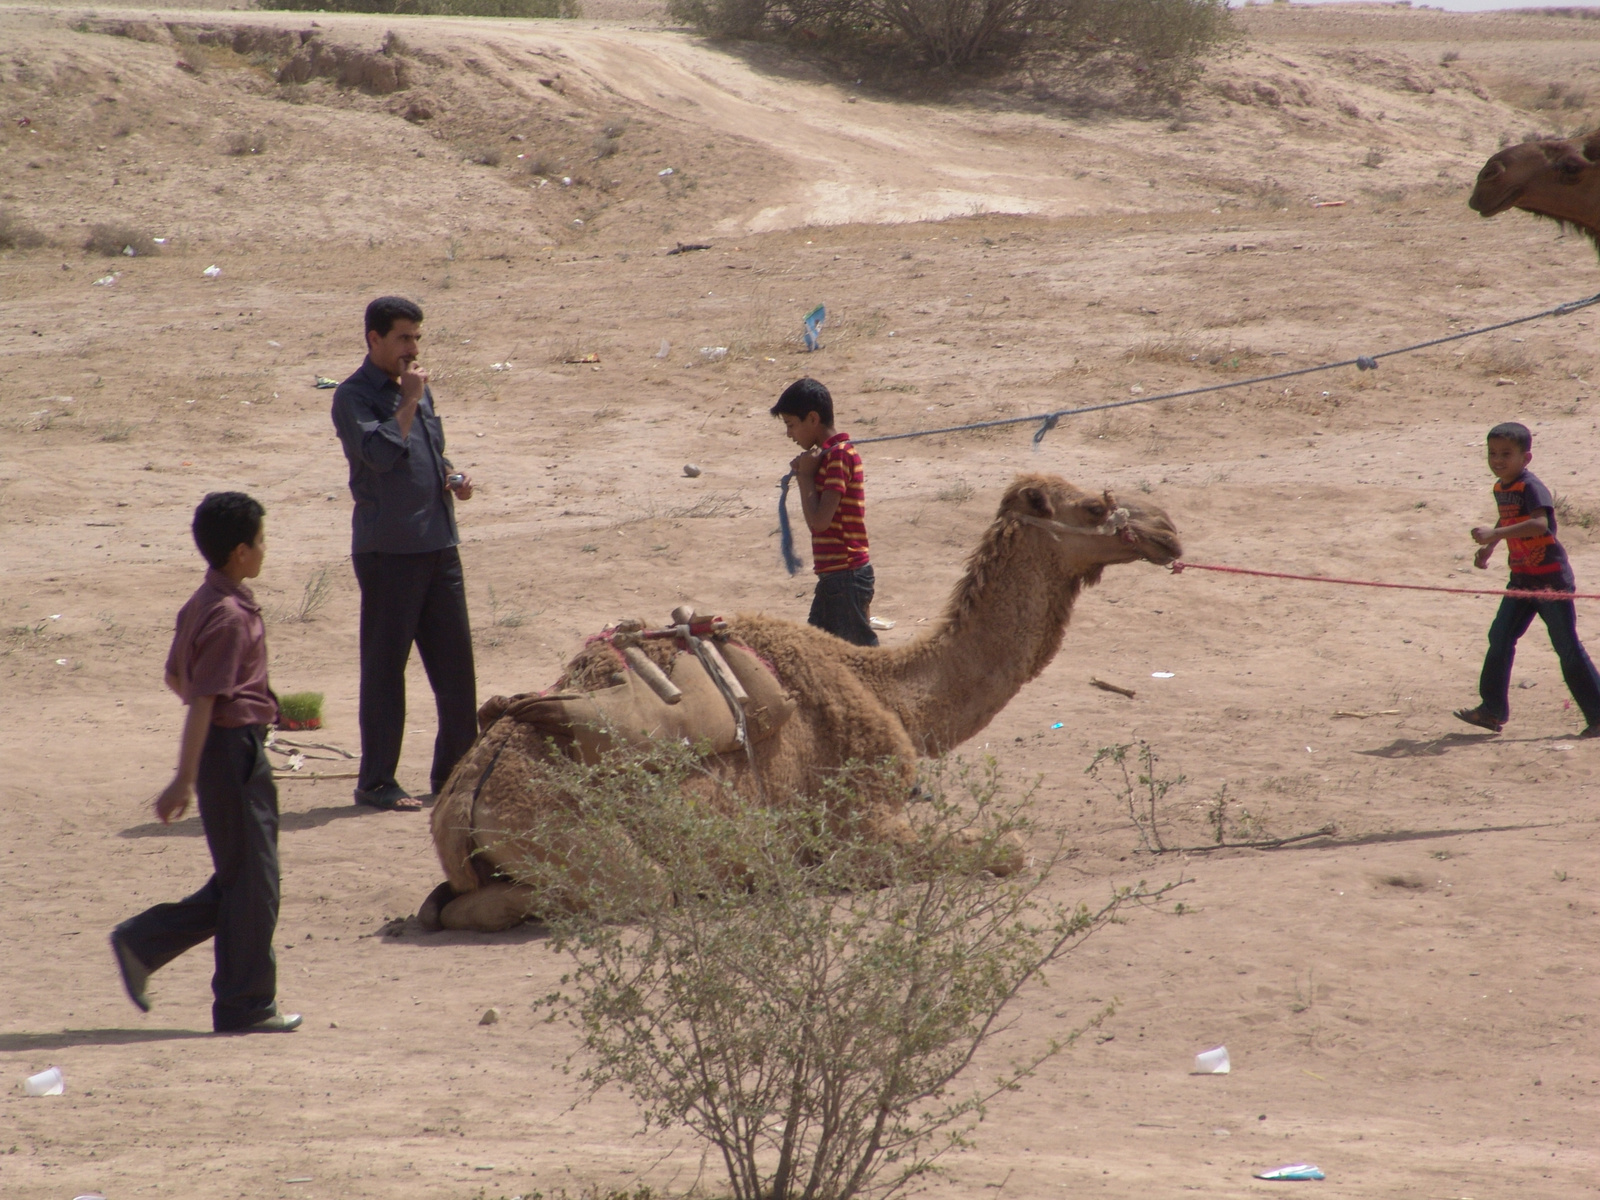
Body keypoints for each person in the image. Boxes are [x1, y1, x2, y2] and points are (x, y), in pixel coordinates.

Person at [110, 492, 301, 1033]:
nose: (265, 550)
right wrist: (185, 776)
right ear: (240, 551)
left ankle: (143, 944)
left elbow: (177, 677)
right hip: (232, 754)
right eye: (261, 541)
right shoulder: (228, 616)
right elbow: (202, 699)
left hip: (230, 748)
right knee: (255, 885)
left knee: (243, 881)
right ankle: (245, 1004)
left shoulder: (202, 603)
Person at [332, 296, 478, 812]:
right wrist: (409, 402)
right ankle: (376, 783)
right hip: (389, 551)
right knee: (385, 671)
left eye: (417, 337)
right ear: (374, 339)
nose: (412, 349)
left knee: (457, 673)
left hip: (440, 544)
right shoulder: (353, 398)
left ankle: (456, 776)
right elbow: (375, 455)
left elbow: (430, 451)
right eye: (403, 338)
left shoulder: (415, 389)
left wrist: (454, 476)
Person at [1455, 421, 1600, 737]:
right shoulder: (1502, 488)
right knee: (1500, 637)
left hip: (1550, 581)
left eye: (1506, 454)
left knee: (1567, 647)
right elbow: (1507, 518)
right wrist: (1490, 547)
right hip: (1521, 579)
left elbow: (1539, 524)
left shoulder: (1531, 486)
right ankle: (1491, 710)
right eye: (1492, 453)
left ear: (1526, 458)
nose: (1497, 460)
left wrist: (1495, 534)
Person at [771, 377, 878, 647]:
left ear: (813, 419)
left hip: (846, 576)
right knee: (816, 652)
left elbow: (819, 522)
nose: (789, 434)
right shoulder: (827, 456)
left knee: (862, 660)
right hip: (835, 577)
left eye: (791, 425)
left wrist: (805, 477)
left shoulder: (839, 456)